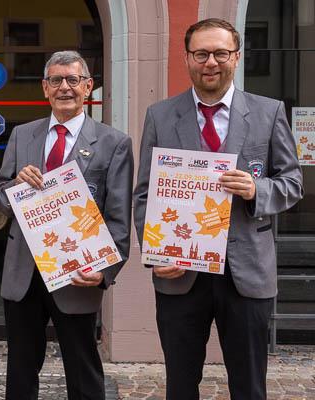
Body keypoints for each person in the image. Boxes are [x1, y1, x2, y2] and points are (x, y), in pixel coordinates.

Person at [133, 18, 303, 399]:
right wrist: (154, 252)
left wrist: (255, 188)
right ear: (188, 58)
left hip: (246, 273)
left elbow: (292, 184)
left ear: (236, 57)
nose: (211, 62)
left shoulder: (268, 112)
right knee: (180, 384)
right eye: (202, 53)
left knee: (248, 385)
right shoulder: (161, 115)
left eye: (221, 53)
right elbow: (145, 195)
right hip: (181, 271)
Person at [0, 50, 133, 400]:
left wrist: (106, 271)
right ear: (44, 88)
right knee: (21, 371)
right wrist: (15, 188)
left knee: (83, 370)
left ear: (88, 87)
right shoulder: (22, 135)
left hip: (77, 274)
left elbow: (118, 217)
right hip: (24, 273)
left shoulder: (114, 143)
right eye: (56, 80)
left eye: (73, 80)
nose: (64, 87)